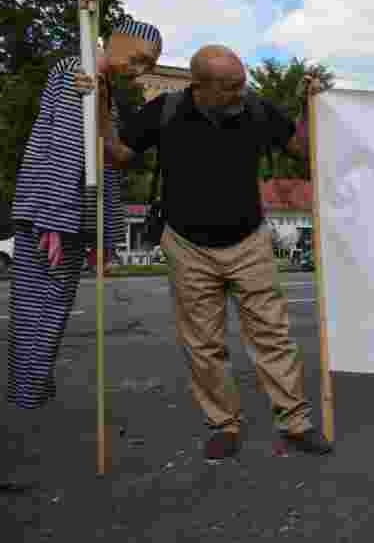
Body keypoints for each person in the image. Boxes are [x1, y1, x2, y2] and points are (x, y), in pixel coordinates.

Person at [97, 44, 332, 460]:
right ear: (200, 86)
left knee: (273, 336)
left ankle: (295, 423)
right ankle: (224, 424)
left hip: (249, 241)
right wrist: (99, 103)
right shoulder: (165, 111)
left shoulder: (256, 109)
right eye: (231, 87)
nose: (241, 92)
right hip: (187, 246)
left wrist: (307, 106)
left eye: (242, 83)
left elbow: (303, 150)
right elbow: (117, 155)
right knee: (203, 344)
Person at [7, 17, 162, 410]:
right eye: (138, 58)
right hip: (53, 215)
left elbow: (107, 162)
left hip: (69, 216)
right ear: (115, 41)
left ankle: (33, 387)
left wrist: (101, 233)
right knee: (40, 307)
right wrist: (53, 220)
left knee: (51, 307)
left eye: (149, 65)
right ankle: (28, 389)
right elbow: (63, 148)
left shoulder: (100, 85)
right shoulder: (76, 72)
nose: (140, 70)